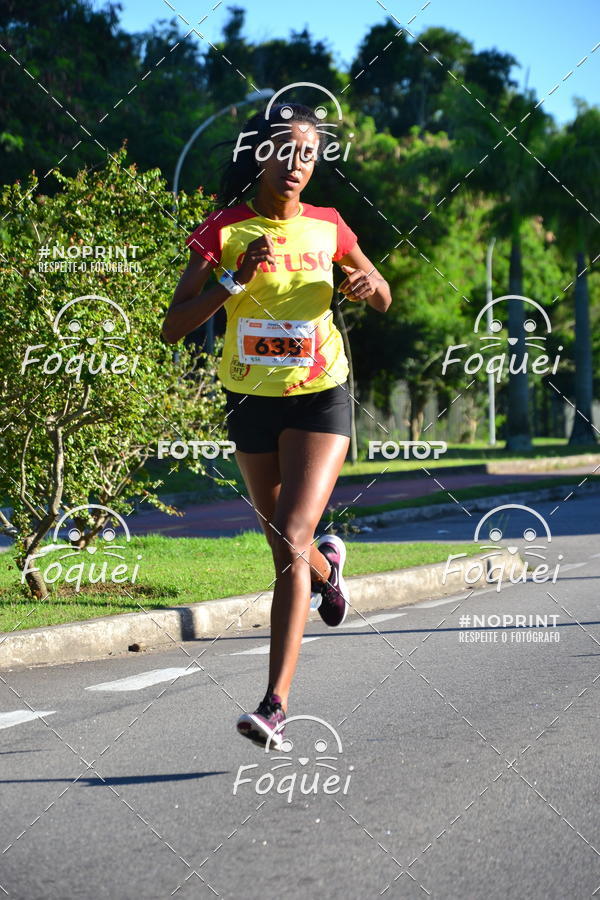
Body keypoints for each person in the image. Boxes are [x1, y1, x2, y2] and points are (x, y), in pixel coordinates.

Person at [161, 102, 392, 750]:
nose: (297, 165)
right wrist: (232, 281)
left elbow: (381, 290)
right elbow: (173, 326)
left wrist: (364, 283)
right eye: (286, 151)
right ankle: (330, 569)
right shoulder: (223, 229)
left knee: (291, 533)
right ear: (260, 154)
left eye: (310, 155)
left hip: (320, 395)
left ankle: (275, 706)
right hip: (249, 400)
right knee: (284, 548)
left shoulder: (330, 226)